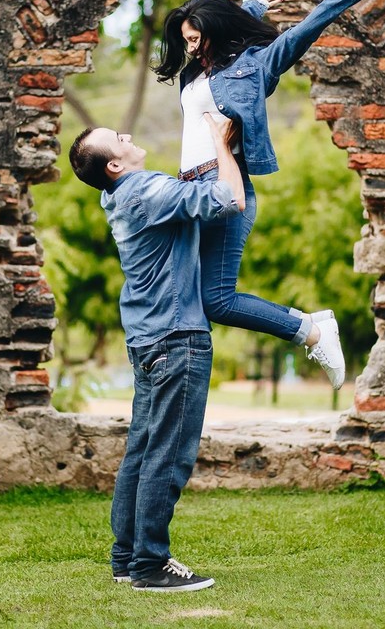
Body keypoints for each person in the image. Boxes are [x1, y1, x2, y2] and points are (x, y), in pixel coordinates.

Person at [153, 0, 385, 389]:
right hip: (188, 189)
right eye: (187, 39)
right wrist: (249, 10)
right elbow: (220, 41)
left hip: (224, 186)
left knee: (217, 300)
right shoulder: (196, 72)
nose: (191, 47)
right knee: (185, 294)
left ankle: (312, 330)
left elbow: (306, 30)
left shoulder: (254, 68)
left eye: (197, 38)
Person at [69, 114, 245, 592]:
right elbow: (229, 200)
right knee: (169, 454)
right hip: (176, 337)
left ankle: (126, 558)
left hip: (148, 338)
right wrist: (221, 144)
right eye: (117, 140)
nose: (127, 137)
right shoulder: (143, 190)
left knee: (142, 450)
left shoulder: (118, 197)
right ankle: (150, 562)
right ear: (114, 167)